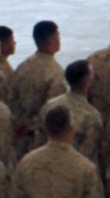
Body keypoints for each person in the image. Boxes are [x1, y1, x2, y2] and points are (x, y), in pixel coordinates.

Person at [7, 20, 67, 158]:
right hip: (39, 141)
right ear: (53, 40)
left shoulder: (24, 66)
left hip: (19, 137)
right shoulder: (55, 72)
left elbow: (11, 98)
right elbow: (52, 112)